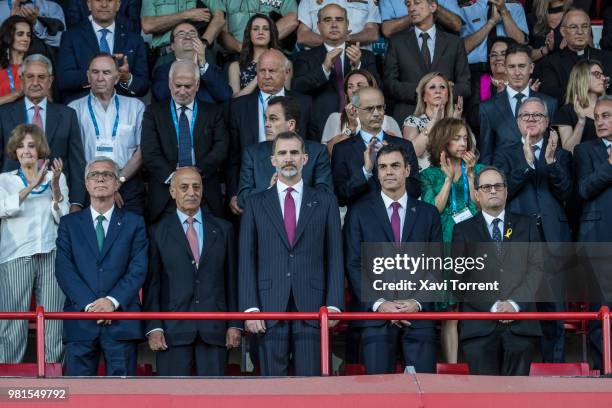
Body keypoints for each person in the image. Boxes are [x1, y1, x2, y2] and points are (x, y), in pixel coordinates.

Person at [239, 130, 344, 376]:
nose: (288, 158)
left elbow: (335, 255)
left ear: (305, 159)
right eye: (282, 153)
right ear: (273, 160)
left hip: (312, 305)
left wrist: (335, 305)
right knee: (272, 389)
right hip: (268, 307)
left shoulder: (325, 201)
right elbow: (246, 256)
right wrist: (250, 307)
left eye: (294, 153)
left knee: (311, 387)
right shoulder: (255, 202)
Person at [344, 144, 442, 374]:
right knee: (378, 394)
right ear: (377, 172)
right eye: (383, 167)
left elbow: (436, 264)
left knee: (424, 392)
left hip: (419, 318)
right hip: (376, 318)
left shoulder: (428, 213)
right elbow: (354, 264)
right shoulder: (359, 212)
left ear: (408, 170)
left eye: (395, 166)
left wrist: (416, 302)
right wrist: (381, 304)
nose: (389, 172)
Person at [495, 97, 573, 363]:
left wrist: (550, 163)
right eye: (525, 115)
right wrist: (526, 165)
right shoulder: (504, 153)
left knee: (555, 312)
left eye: (537, 116)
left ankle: (556, 369)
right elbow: (500, 194)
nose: (531, 119)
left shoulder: (560, 154)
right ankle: (519, 374)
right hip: (518, 240)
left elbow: (568, 194)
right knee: (519, 308)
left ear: (548, 121)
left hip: (553, 238)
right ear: (517, 122)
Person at [55, 156, 148, 376]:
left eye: (107, 175)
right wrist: (90, 306)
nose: (100, 179)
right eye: (94, 175)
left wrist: (111, 302)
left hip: (121, 321)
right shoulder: (69, 224)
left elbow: (138, 268)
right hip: (80, 321)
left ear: (117, 184)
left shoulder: (134, 222)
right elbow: (64, 269)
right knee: (78, 396)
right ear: (86, 184)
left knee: (121, 398)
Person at [144, 167, 240, 376]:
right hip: (172, 331)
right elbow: (152, 284)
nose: (191, 192)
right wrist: (154, 327)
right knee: (173, 400)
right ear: (172, 192)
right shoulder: (157, 232)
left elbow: (231, 281)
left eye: (196, 187)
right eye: (184, 187)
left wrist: (234, 324)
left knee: (214, 399)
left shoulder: (224, 230)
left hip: (214, 329)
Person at [452, 166, 543, 375]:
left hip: (520, 327)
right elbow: (458, 280)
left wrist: (513, 304)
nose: (493, 191)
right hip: (480, 329)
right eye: (486, 187)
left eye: (498, 186)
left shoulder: (527, 225)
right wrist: (493, 306)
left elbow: (537, 269)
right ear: (477, 194)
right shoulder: (463, 230)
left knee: (518, 400)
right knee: (483, 400)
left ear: (506, 191)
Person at [0, 124, 68, 364]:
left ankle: (53, 377)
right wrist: (31, 185)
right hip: (16, 256)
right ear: (14, 151)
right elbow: (3, 209)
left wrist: (55, 187)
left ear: (40, 148)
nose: (26, 150)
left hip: (50, 254)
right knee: (12, 321)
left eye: (30, 145)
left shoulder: (54, 177)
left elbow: (64, 216)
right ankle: (8, 377)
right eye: (20, 146)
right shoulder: (5, 180)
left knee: (52, 320)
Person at [419, 118, 481, 364]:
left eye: (465, 138)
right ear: (443, 140)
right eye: (456, 138)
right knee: (451, 313)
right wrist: (447, 180)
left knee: (476, 307)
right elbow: (432, 210)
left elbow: (482, 205)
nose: (462, 143)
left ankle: (478, 365)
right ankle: (453, 367)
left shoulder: (478, 167)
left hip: (474, 243)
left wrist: (472, 174)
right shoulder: (430, 174)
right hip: (445, 243)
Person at [227, 49, 312, 216]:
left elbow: (311, 147)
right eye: (261, 71)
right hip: (252, 185)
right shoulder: (239, 107)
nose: (266, 76)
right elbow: (232, 156)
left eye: (272, 71)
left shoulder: (304, 103)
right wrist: (233, 193)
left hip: (295, 183)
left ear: (286, 73)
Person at [142, 60, 227, 223]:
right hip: (165, 193)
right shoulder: (153, 112)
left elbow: (221, 147)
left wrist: (195, 174)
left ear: (197, 84)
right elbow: (150, 151)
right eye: (177, 85)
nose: (182, 91)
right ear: (169, 83)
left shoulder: (214, 112)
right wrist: (175, 178)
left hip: (204, 191)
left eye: (187, 86)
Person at [0, 54, 86, 209]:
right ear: (22, 79)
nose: (35, 82)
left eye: (41, 77)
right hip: (12, 196)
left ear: (50, 81)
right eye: (30, 76)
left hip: (55, 196)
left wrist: (76, 202)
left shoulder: (68, 115)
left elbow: (76, 162)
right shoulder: (3, 114)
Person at [68, 53, 145, 214]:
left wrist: (118, 181)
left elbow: (141, 151)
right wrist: (100, 184)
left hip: (127, 185)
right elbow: (72, 155)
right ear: (88, 77)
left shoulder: (136, 107)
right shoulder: (73, 109)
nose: (100, 78)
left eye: (106, 72)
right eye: (95, 72)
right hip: (88, 187)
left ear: (117, 78)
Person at [292, 4, 379, 139]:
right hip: (320, 130)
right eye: (327, 20)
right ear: (318, 26)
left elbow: (379, 89)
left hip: (362, 127)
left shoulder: (366, 56)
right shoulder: (305, 57)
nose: (333, 25)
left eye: (339, 19)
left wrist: (358, 67)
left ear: (347, 24)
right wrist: (324, 68)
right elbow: (297, 87)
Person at [383, 0, 471, 124]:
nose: (412, 8)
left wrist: (442, 93)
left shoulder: (454, 43)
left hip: (446, 119)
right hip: (407, 117)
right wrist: (422, 91)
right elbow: (389, 84)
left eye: (417, 3)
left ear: (433, 6)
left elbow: (465, 87)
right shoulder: (397, 43)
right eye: (408, 4)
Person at [237, 95, 333, 209]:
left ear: (291, 124)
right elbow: (242, 198)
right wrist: (270, 190)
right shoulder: (252, 153)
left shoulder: (317, 152)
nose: (266, 124)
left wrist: (293, 188)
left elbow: (326, 195)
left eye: (273, 119)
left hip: (305, 222)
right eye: (266, 118)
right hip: (266, 223)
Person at [331, 86, 420, 207]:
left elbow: (415, 190)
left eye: (380, 107)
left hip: (397, 217)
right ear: (356, 111)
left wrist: (394, 170)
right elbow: (340, 197)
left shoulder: (404, 145)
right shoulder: (342, 149)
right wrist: (366, 171)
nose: (377, 113)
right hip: (361, 221)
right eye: (369, 109)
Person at [574, 95, 612, 370]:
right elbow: (584, 188)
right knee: (603, 310)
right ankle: (605, 372)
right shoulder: (586, 150)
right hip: (599, 241)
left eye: (607, 115)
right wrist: (610, 165)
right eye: (597, 116)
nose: (600, 121)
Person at [56, 0, 149, 103]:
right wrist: (98, 74)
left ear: (118, 5)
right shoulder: (70, 37)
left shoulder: (135, 40)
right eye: (98, 0)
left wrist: (126, 78)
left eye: (109, 0)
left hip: (123, 110)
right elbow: (63, 80)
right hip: (82, 109)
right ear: (89, 5)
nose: (104, 5)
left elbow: (143, 86)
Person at [478, 44, 557, 164]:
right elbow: (486, 155)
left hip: (540, 178)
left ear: (531, 68)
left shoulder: (550, 104)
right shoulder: (488, 108)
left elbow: (554, 148)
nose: (517, 72)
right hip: (504, 178)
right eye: (511, 66)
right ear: (505, 68)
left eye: (521, 66)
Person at [460, 0, 528, 124]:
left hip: (508, 73)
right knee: (476, 117)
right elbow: (462, 49)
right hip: (475, 72)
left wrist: (503, 10)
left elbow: (521, 43)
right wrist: (491, 22)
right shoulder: (467, 9)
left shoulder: (515, 8)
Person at [539, 8, 612, 103]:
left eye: (585, 26)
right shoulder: (551, 62)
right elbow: (551, 94)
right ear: (562, 31)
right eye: (573, 27)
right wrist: (589, 87)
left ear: (590, 30)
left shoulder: (608, 58)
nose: (580, 32)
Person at [322, 69, 401, 155]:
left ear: (372, 89)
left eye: (360, 85)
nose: (354, 90)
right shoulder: (336, 118)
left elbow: (401, 153)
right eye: (350, 87)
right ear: (346, 93)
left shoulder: (388, 120)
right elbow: (332, 153)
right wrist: (351, 127)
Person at [151, 21, 232, 104]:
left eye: (192, 34)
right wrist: (188, 70)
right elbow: (161, 95)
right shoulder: (163, 70)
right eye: (181, 34)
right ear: (172, 46)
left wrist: (202, 65)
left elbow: (225, 95)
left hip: (205, 116)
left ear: (200, 43)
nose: (188, 37)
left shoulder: (211, 70)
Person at [403, 72, 463, 171]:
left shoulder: (455, 120)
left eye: (442, 87)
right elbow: (411, 153)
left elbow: (464, 153)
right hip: (425, 181)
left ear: (448, 96)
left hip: (452, 176)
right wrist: (434, 122)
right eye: (432, 87)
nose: (438, 91)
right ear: (424, 97)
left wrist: (455, 125)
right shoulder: (412, 121)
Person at [141, 0, 225, 60]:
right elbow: (147, 26)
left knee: (213, 81)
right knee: (162, 83)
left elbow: (220, 19)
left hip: (196, 51)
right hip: (166, 54)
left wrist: (203, 43)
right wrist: (186, 15)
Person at [227, 14, 286, 98]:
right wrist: (258, 78)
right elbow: (234, 101)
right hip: (247, 110)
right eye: (255, 29)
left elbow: (286, 97)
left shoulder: (284, 62)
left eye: (265, 29)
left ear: (271, 34)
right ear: (249, 34)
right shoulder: (235, 66)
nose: (261, 32)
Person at [554, 60, 606, 153]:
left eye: (603, 75)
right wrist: (581, 122)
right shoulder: (566, 111)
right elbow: (568, 151)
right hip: (582, 166)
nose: (603, 78)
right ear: (582, 77)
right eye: (597, 74)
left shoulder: (608, 108)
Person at [216, 0, 298, 55]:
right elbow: (221, 32)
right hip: (237, 54)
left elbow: (292, 19)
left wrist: (260, 42)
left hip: (271, 52)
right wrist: (241, 47)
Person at [297, 0, 380, 49]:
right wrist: (333, 42)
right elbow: (302, 35)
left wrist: (347, 39)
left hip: (358, 57)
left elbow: (372, 33)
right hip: (318, 59)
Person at [0, 0, 65, 50]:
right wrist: (10, 23)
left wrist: (35, 23)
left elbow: (61, 43)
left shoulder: (53, 8)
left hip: (39, 62)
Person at [379, 0, 463, 39]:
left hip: (441, 53)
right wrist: (416, 14)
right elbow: (387, 31)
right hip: (404, 55)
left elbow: (457, 25)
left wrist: (429, 4)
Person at [0, 16, 31, 105]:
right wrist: (16, 94)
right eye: (20, 34)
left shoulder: (35, 66)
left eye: (28, 35)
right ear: (8, 36)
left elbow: (48, 101)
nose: (26, 39)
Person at [66, 0, 142, 34]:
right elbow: (73, 29)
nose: (104, 5)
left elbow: (135, 29)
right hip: (85, 47)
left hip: (120, 47)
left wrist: (110, 10)